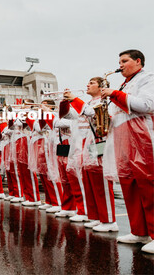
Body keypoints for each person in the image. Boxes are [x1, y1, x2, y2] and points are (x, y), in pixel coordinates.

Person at [101, 49, 154, 253]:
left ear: (138, 61)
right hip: (124, 135)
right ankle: (139, 231)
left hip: (141, 135)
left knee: (148, 184)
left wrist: (115, 94)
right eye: (119, 61)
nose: (120, 65)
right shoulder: (126, 83)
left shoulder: (147, 78)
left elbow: (147, 105)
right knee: (129, 183)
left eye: (125, 61)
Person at [65, 77, 118, 231]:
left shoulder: (106, 101)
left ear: (102, 87)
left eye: (92, 83)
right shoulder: (88, 103)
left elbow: (95, 116)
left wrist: (75, 100)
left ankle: (109, 221)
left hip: (100, 142)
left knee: (101, 181)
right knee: (90, 181)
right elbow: (69, 117)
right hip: (87, 143)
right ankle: (96, 217)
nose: (87, 85)